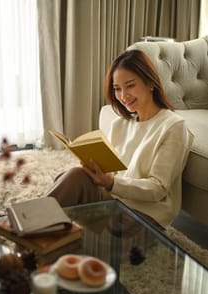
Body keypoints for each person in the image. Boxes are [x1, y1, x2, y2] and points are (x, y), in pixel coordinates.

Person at [46, 49, 194, 228]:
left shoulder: (173, 127)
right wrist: (93, 171)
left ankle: (39, 226)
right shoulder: (120, 124)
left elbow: (158, 189)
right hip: (115, 200)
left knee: (113, 228)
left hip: (146, 212)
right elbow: (111, 173)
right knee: (74, 176)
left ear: (150, 83)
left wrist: (111, 183)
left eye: (130, 85)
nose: (123, 96)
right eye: (117, 89)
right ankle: (33, 223)